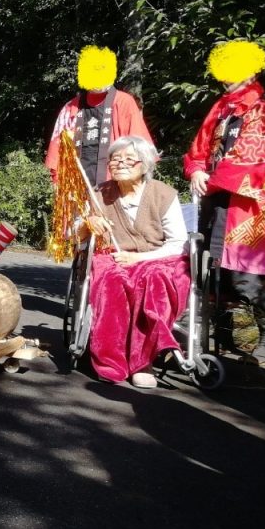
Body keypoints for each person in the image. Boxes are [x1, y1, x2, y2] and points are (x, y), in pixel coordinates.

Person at [184, 39, 265, 362]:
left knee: (246, 276)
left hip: (243, 208)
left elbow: (252, 160)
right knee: (210, 269)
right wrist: (195, 170)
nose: (225, 79)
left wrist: (211, 179)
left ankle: (264, 343)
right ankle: (219, 341)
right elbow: (199, 147)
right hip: (212, 199)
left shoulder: (263, 110)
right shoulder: (221, 108)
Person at [81, 136, 190, 387]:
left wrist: (139, 258)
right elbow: (74, 234)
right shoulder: (99, 193)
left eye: (128, 159)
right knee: (111, 281)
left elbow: (177, 244)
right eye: (115, 160)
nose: (119, 164)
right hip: (113, 255)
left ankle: (143, 361)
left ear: (145, 164)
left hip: (157, 256)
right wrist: (88, 224)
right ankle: (111, 360)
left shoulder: (163, 194)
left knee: (155, 280)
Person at [45, 45, 153, 187]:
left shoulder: (123, 102)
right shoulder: (71, 108)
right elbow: (57, 149)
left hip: (118, 187)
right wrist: (58, 181)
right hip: (75, 188)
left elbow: (141, 147)